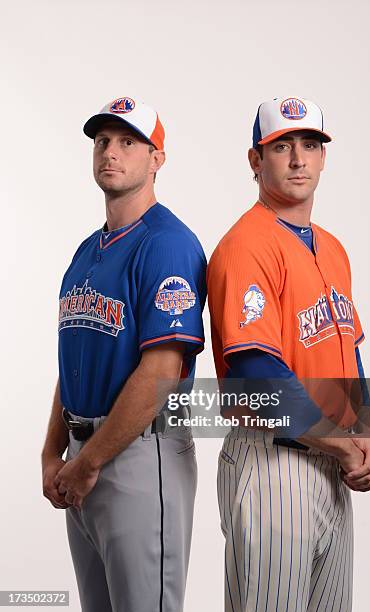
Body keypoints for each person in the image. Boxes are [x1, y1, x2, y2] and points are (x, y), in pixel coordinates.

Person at [207, 96, 370, 612]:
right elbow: (257, 373)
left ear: (325, 158)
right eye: (281, 146)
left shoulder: (332, 247)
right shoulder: (246, 245)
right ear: (255, 160)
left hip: (332, 462)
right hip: (272, 464)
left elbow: (347, 349)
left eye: (310, 145)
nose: (299, 159)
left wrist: (368, 427)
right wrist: (344, 446)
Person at [41, 96, 206, 612]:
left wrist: (87, 461)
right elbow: (72, 361)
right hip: (83, 457)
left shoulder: (168, 244)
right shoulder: (88, 249)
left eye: (129, 142)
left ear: (157, 157)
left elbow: (162, 371)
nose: (111, 152)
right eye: (103, 141)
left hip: (140, 457)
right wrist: (53, 451)